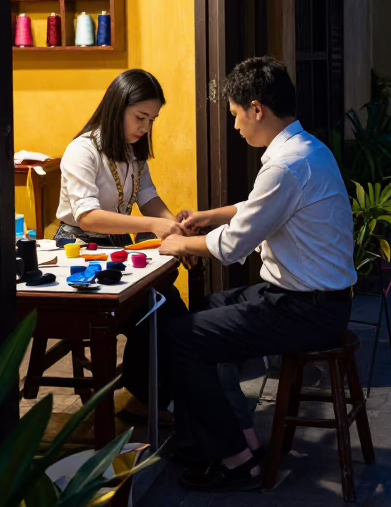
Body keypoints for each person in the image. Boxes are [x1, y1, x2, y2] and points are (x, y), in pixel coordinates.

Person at [157, 56, 356, 493]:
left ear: (256, 108)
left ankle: (236, 460)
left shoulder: (285, 165)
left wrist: (174, 244)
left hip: (306, 310)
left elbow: (232, 247)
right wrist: (209, 216)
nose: (236, 127)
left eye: (235, 116)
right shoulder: (304, 149)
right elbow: (257, 208)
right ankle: (239, 438)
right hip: (316, 300)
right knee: (206, 310)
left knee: (182, 337)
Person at [53, 68, 185, 422]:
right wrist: (152, 225)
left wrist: (172, 226)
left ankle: (144, 395)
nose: (145, 127)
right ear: (117, 107)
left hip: (117, 244)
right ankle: (140, 397)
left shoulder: (133, 151)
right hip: (79, 249)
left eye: (151, 120)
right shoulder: (82, 150)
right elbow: (88, 217)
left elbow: (148, 196)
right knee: (153, 307)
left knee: (166, 306)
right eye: (140, 117)